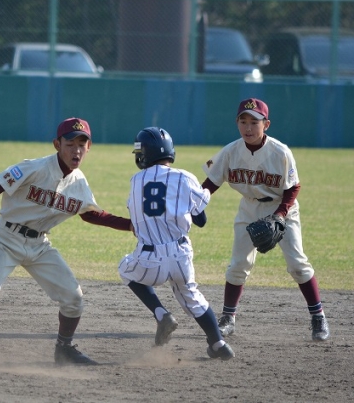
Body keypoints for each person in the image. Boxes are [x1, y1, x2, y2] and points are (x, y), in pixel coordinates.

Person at [0, 117, 133, 366]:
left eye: (81, 144)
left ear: (89, 147)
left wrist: (131, 225)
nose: (76, 150)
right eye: (70, 144)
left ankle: (64, 349)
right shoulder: (34, 168)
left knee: (73, 297)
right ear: (57, 144)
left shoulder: (79, 182)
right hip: (4, 239)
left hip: (38, 245)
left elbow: (91, 215)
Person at [201, 98, 330, 341]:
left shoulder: (280, 152)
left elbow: (293, 187)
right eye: (243, 122)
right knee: (238, 265)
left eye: (254, 122)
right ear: (237, 123)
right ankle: (228, 317)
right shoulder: (231, 151)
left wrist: (280, 215)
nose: (248, 128)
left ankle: (318, 316)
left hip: (282, 207)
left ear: (266, 124)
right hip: (249, 207)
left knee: (298, 264)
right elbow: (211, 183)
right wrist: (194, 204)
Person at [118, 127, 235, 360]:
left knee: (125, 269)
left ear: (145, 154)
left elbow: (137, 216)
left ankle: (161, 314)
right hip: (181, 254)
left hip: (149, 257)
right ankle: (218, 343)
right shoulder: (185, 177)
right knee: (191, 296)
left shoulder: (136, 180)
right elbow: (201, 220)